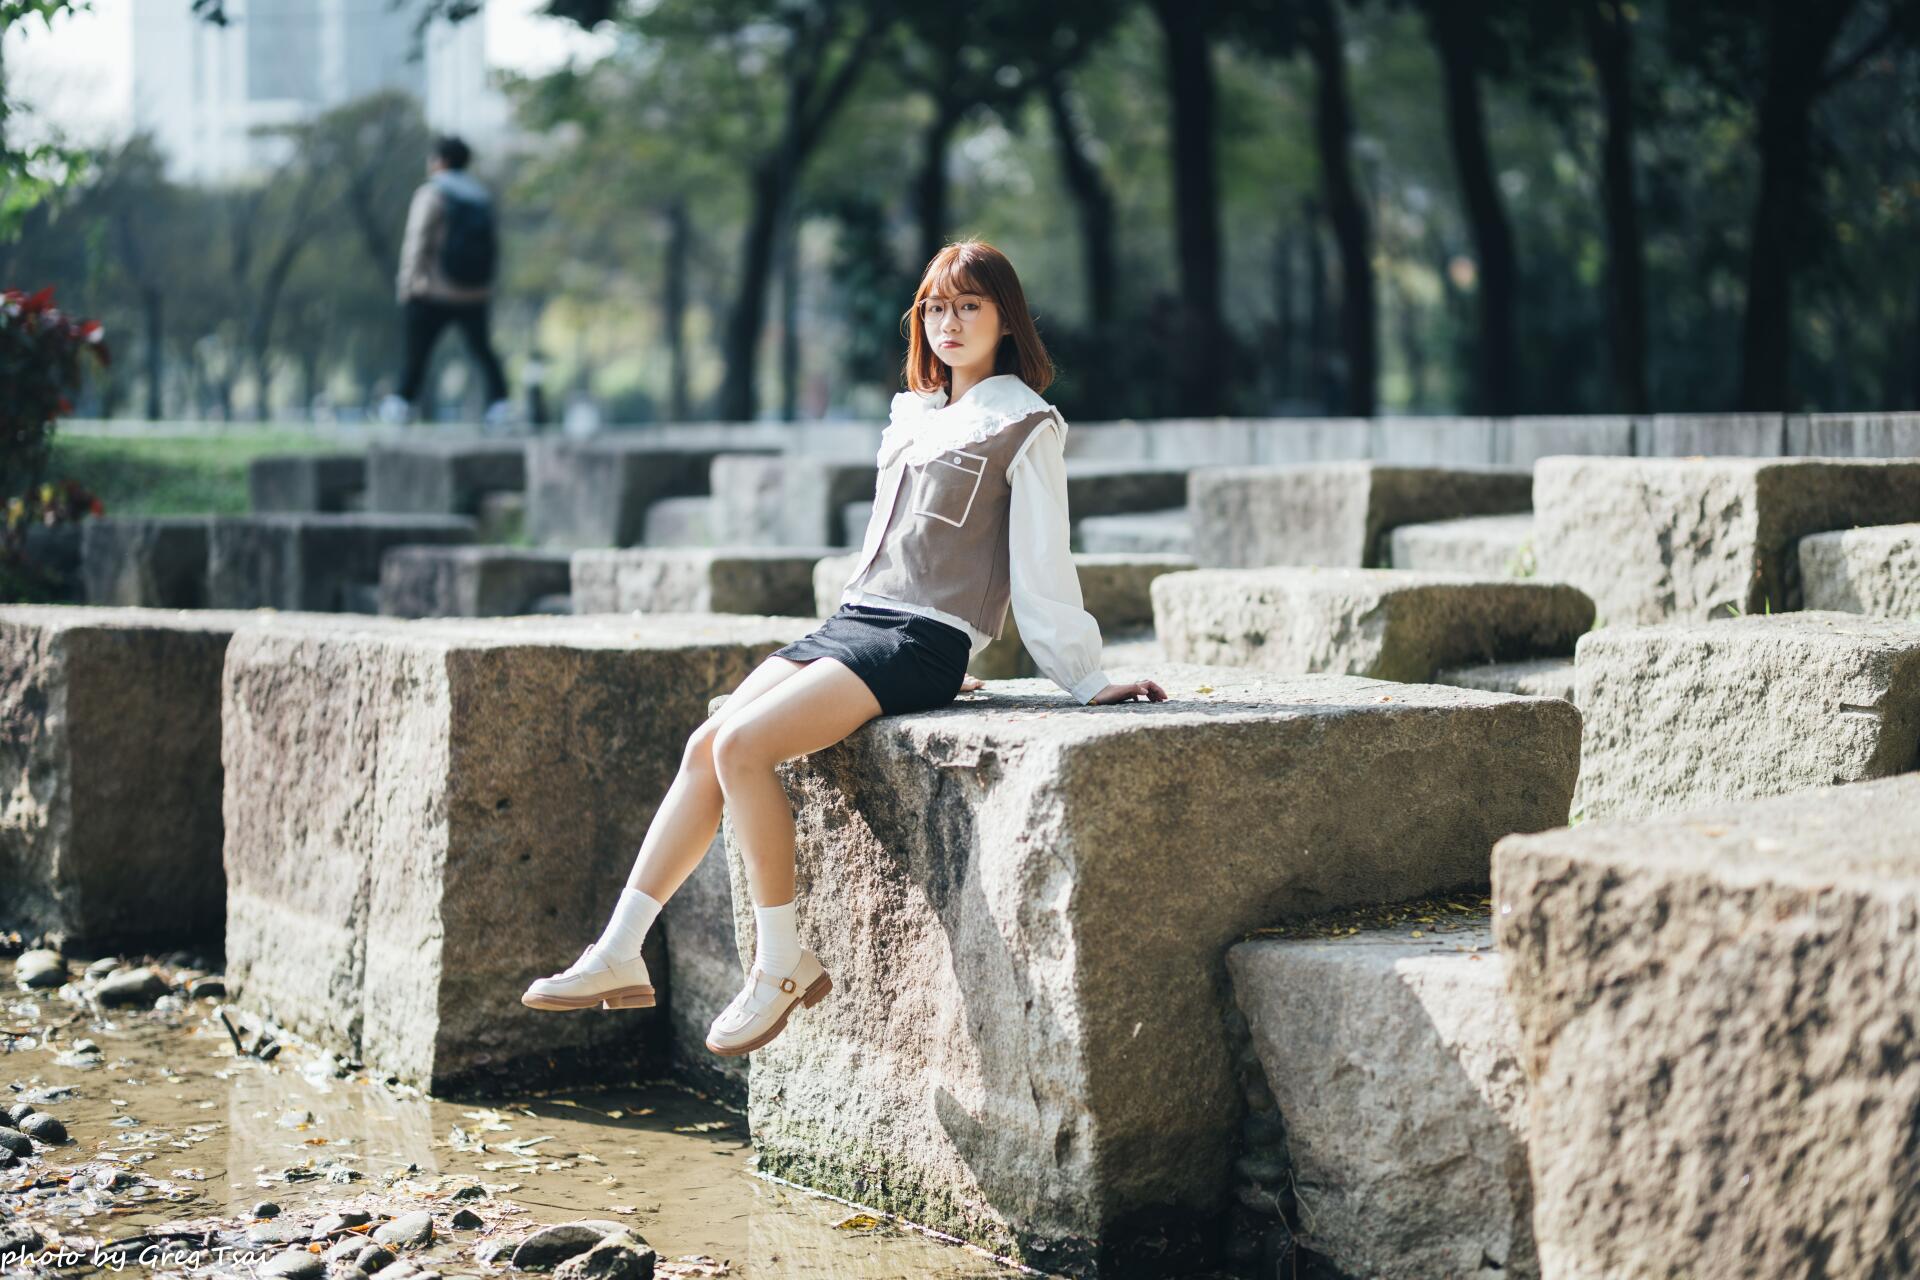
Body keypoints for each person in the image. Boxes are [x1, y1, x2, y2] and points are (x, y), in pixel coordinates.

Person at [520, 240, 1169, 1056]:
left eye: (970, 305)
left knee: (748, 748)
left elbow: (1041, 562)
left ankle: (781, 961)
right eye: (936, 307)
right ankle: (618, 952)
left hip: (919, 637)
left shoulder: (1025, 422)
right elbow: (884, 546)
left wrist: (1083, 678)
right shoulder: (914, 416)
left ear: (1007, 320)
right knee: (707, 744)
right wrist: (844, 648)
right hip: (857, 623)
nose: (949, 322)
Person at [378, 135, 512, 427]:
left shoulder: (432, 193)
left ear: (439, 161)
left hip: (433, 290)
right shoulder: (480, 196)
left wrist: (408, 282)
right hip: (474, 292)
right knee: (483, 351)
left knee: (417, 352)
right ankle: (500, 405)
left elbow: (417, 240)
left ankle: (401, 405)